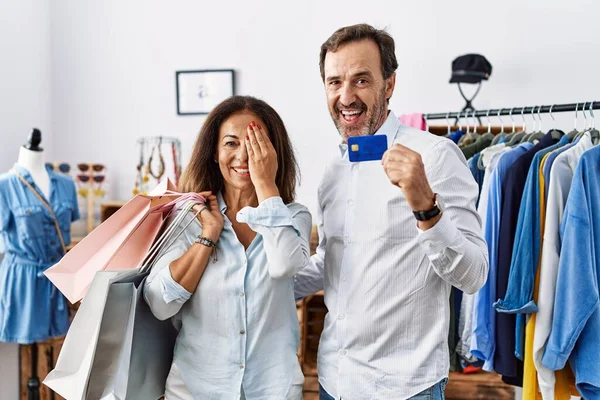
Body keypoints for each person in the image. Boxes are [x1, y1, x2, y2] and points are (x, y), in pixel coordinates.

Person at [294, 24, 489, 399]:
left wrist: (426, 209)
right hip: (334, 381)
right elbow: (332, 262)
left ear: (390, 84)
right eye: (334, 82)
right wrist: (258, 283)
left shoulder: (436, 156)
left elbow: (475, 275)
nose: (346, 96)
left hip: (405, 387)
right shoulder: (333, 171)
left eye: (361, 80)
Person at [144, 95, 311, 399]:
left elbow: (285, 265)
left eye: (256, 143)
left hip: (272, 390)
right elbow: (159, 303)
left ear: (273, 153)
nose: (243, 155)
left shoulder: (293, 216)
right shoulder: (187, 217)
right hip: (195, 391)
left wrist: (267, 186)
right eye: (232, 143)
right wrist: (208, 236)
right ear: (214, 152)